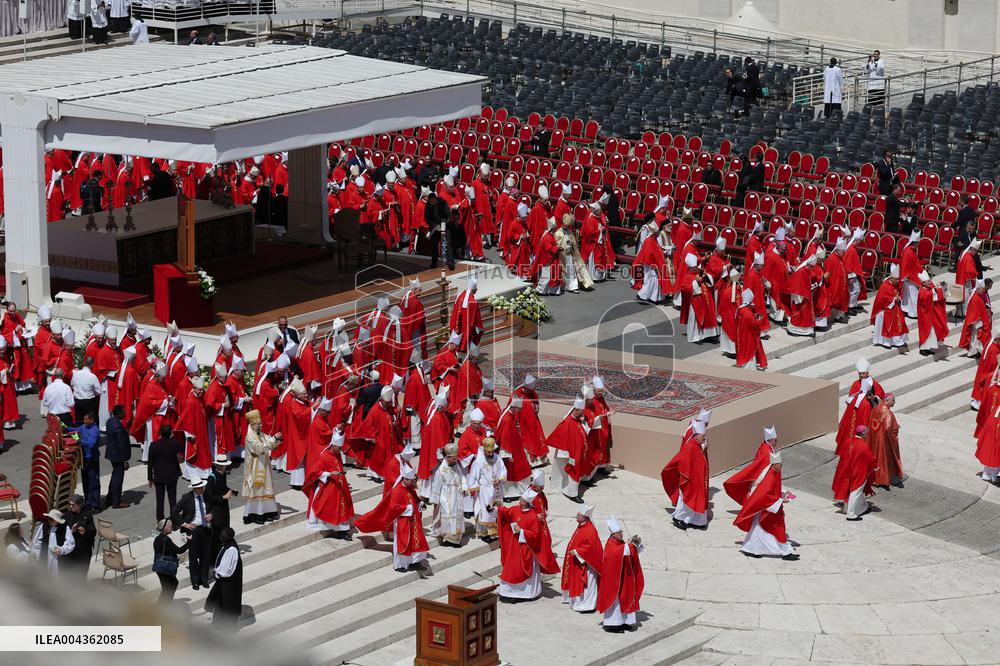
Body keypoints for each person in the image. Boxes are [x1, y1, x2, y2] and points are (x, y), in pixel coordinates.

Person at [355, 466, 429, 572]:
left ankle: (414, 562)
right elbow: (394, 507)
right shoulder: (397, 491)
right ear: (405, 479)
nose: (413, 483)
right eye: (411, 480)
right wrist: (408, 508)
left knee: (416, 541)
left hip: (413, 520)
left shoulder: (409, 488)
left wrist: (420, 503)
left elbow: (414, 498)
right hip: (402, 520)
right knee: (403, 542)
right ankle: (400, 565)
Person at [496, 489, 560, 603]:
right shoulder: (515, 510)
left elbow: (535, 535)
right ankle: (507, 592)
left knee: (521, 572)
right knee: (510, 571)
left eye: (520, 499)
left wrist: (521, 531)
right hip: (514, 547)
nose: (519, 501)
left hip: (526, 549)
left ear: (526, 502)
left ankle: (522, 594)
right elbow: (505, 512)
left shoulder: (533, 516)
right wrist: (495, 509)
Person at [734, 450, 798, 560]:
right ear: (775, 464)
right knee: (777, 528)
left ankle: (750, 548)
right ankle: (785, 552)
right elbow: (765, 495)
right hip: (767, 509)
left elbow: (772, 491)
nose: (782, 466)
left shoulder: (774, 473)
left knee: (758, 530)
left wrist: (783, 493)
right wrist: (781, 500)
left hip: (767, 508)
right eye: (780, 464)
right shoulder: (770, 477)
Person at [303, 427, 354, 537]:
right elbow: (315, 471)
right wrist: (329, 474)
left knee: (342, 506)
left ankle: (342, 530)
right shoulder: (324, 456)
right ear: (333, 445)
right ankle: (333, 527)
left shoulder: (337, 454)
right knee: (330, 505)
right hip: (327, 484)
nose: (340, 450)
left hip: (339, 483)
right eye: (339, 447)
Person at [596, 516, 644, 632]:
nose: (621, 534)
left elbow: (627, 552)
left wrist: (634, 545)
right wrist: (628, 545)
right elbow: (615, 554)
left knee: (625, 598)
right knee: (616, 602)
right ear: (613, 534)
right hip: (614, 581)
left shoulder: (620, 542)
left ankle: (624, 621)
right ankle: (612, 625)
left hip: (623, 578)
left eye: (621, 532)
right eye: (619, 532)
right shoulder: (610, 544)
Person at [170, 477, 213, 590]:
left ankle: (204, 579)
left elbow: (212, 507)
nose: (202, 489)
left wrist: (211, 515)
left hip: (206, 528)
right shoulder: (187, 498)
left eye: (202, 487)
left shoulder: (206, 495)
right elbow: (174, 512)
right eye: (199, 488)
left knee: (205, 555)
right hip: (193, 529)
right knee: (193, 556)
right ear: (194, 489)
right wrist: (184, 524)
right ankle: (195, 580)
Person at [561, 504, 603, 613]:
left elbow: (591, 547)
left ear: (584, 517)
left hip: (588, 564)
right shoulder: (582, 526)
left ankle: (588, 606)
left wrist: (577, 551)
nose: (576, 515)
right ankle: (580, 603)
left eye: (578, 514)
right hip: (579, 562)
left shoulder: (590, 530)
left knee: (588, 585)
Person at [242, 410, 280, 524]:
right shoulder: (250, 437)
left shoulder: (260, 434)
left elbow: (269, 443)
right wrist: (274, 439)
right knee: (257, 491)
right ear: (253, 425)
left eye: (261, 423)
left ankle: (268, 512)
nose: (261, 425)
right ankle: (257, 515)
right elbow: (259, 448)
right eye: (259, 424)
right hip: (254, 468)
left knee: (266, 489)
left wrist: (277, 440)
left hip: (264, 466)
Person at [833, 426, 877, 520]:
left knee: (847, 489)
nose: (868, 434)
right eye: (867, 432)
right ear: (863, 434)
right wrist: (875, 466)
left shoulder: (848, 441)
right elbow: (870, 458)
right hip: (857, 471)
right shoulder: (863, 446)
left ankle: (860, 507)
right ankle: (851, 514)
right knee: (855, 491)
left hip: (846, 469)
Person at [428, 443, 467, 546]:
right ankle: (448, 538)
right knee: (447, 516)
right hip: (446, 497)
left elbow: (462, 477)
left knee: (457, 516)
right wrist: (435, 501)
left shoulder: (456, 465)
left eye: (456, 458)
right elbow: (436, 486)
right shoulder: (441, 470)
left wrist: (464, 487)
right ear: (447, 457)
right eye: (453, 459)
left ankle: (456, 539)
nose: (455, 460)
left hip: (457, 496)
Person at [468, 437, 506, 541]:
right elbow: (473, 477)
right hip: (484, 491)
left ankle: (495, 533)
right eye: (488, 452)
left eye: (491, 452)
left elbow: (503, 471)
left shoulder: (498, 458)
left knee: (496, 511)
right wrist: (475, 489)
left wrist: (500, 479)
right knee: (486, 512)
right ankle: (485, 533)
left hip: (497, 489)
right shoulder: (478, 462)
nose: (490, 454)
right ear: (484, 451)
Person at [205, 527, 243, 628]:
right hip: (223, 582)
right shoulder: (226, 545)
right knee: (219, 603)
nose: (220, 537)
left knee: (227, 606)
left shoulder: (231, 549)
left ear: (228, 537)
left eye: (222, 536)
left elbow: (227, 570)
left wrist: (216, 572)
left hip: (228, 584)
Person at [148, 424, 183, 522]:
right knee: (172, 499)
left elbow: (150, 463)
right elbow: (180, 456)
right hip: (172, 475)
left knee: (160, 500)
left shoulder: (154, 445)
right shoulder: (175, 443)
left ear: (160, 433)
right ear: (171, 433)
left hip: (159, 475)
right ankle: (174, 519)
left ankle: (160, 520)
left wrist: (150, 478)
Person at [868, 394, 903, 488]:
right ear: (887, 400)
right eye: (893, 400)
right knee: (883, 460)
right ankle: (882, 479)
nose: (894, 402)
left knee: (875, 457)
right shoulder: (888, 413)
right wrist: (894, 435)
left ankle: (873, 478)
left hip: (874, 438)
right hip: (884, 441)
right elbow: (888, 428)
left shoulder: (876, 408)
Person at [68, 413, 101, 510]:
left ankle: (95, 505)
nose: (84, 421)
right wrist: (67, 428)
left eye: (86, 420)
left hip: (92, 460)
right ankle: (88, 502)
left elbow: (91, 444)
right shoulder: (84, 426)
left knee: (93, 483)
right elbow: (76, 429)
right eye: (84, 419)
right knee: (86, 482)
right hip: (84, 459)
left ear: (91, 420)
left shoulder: (94, 431)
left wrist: (79, 441)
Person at [870, 265, 909, 349]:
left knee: (899, 324)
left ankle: (897, 342)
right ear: (891, 278)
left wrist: (899, 297)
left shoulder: (895, 283)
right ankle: (885, 342)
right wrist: (894, 298)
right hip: (884, 310)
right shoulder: (885, 286)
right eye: (897, 279)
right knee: (888, 327)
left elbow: (899, 291)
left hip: (894, 308)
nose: (898, 281)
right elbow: (882, 299)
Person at [153, 519, 189, 604]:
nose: (172, 528)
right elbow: (179, 550)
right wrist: (189, 542)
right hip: (165, 567)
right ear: (164, 528)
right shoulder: (166, 540)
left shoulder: (157, 539)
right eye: (170, 526)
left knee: (167, 587)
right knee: (171, 585)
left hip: (159, 567)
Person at [105, 404, 132, 509]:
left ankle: (109, 498)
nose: (125, 413)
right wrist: (124, 460)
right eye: (123, 411)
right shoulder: (118, 427)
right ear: (119, 413)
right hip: (118, 456)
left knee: (114, 476)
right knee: (118, 479)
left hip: (112, 454)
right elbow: (121, 444)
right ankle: (116, 501)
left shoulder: (110, 421)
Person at [62, 495, 96, 578]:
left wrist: (85, 532)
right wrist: (71, 531)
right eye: (69, 504)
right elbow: (62, 532)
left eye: (73, 505)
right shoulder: (67, 515)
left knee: (82, 571)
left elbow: (93, 532)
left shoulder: (87, 515)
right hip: (72, 549)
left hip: (84, 549)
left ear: (80, 505)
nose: (70, 507)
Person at [916, 272, 949, 355]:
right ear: (923, 283)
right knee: (925, 332)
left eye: (930, 281)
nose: (930, 282)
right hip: (924, 315)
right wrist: (935, 290)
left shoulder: (928, 288)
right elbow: (928, 297)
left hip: (929, 315)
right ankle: (923, 349)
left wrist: (940, 288)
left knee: (931, 332)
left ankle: (928, 348)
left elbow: (933, 294)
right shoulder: (922, 291)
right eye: (928, 281)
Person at [961, 279, 993, 357]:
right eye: (982, 289)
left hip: (977, 321)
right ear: (978, 288)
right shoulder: (975, 298)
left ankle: (974, 351)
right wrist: (980, 321)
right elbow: (974, 312)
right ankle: (972, 352)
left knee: (975, 338)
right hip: (975, 321)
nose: (983, 291)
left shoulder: (977, 296)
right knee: (974, 338)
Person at [71, 358, 101, 426]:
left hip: (78, 401)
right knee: (91, 421)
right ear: (92, 365)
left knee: (78, 420)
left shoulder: (76, 374)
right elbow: (99, 391)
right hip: (89, 402)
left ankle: (78, 435)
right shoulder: (92, 376)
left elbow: (72, 385)